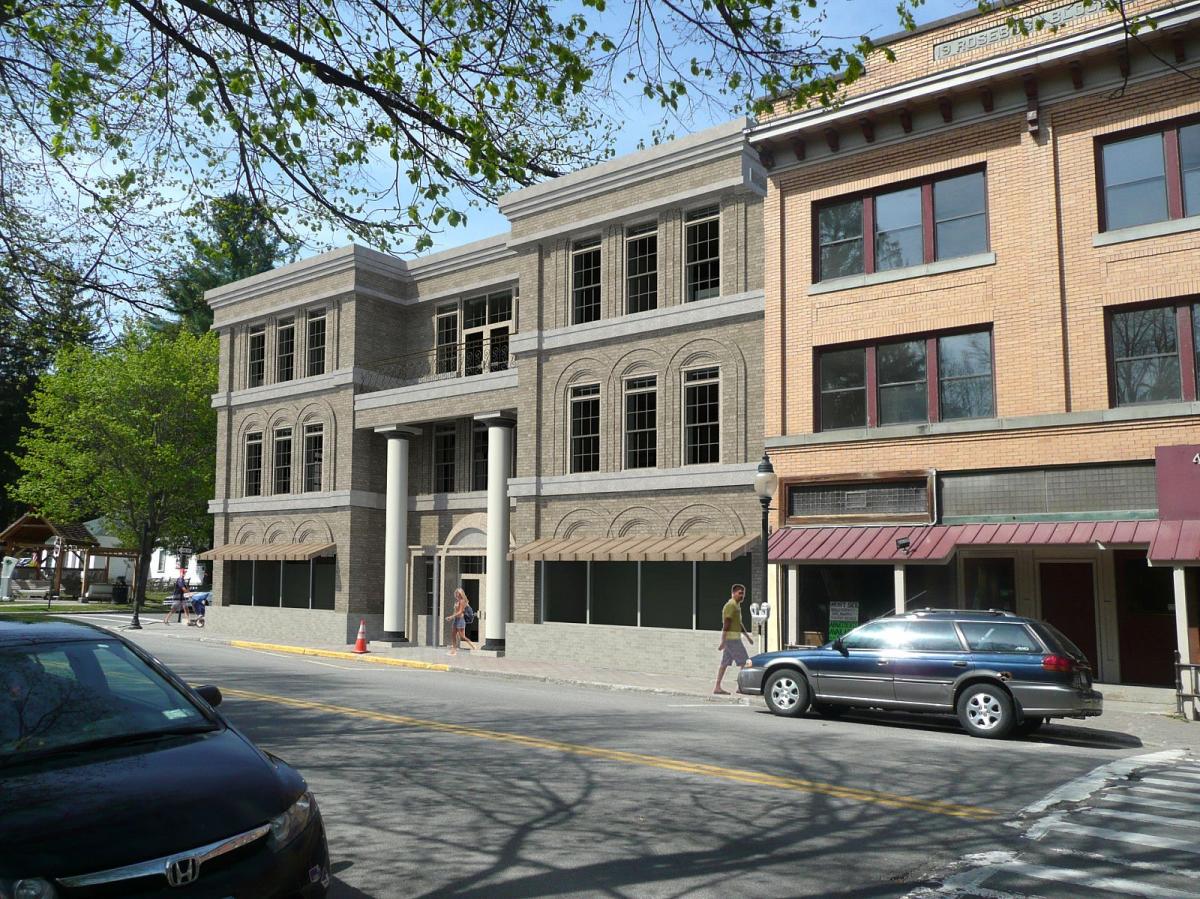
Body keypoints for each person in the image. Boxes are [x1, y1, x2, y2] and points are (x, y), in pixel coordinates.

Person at [713, 583, 753, 695]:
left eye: (743, 593)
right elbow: (726, 624)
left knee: (724, 664)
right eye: (740, 593)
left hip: (732, 639)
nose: (742, 595)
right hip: (733, 640)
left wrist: (747, 637)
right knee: (745, 662)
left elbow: (738, 624)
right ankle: (740, 687)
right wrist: (723, 640)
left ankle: (717, 687)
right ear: (733, 593)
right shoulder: (731, 605)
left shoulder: (736, 606)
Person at [443, 587, 480, 656]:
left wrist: (451, 617)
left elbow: (460, 612)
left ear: (461, 594)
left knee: (462, 636)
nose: (457, 594)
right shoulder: (457, 602)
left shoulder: (462, 601)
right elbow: (456, 611)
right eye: (456, 593)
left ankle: (473, 646)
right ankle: (453, 651)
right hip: (456, 620)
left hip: (460, 620)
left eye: (458, 593)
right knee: (453, 635)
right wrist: (453, 616)